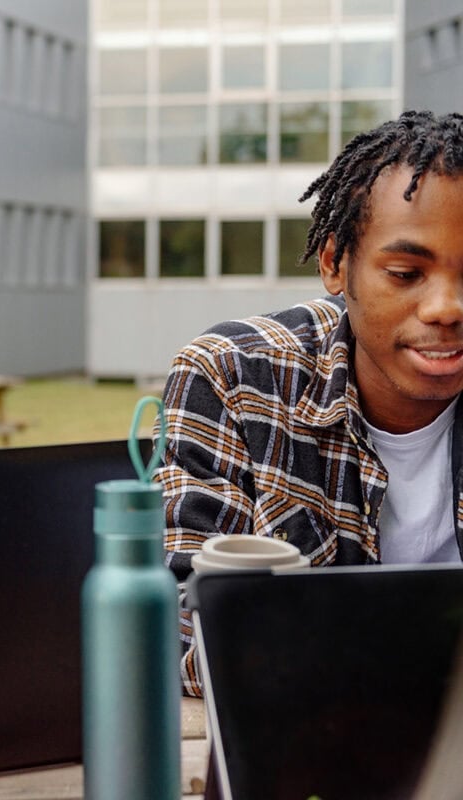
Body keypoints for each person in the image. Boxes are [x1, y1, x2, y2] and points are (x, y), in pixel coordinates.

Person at [159, 109, 463, 696]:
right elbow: (184, 640)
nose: (447, 308)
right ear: (333, 263)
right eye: (405, 273)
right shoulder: (236, 378)